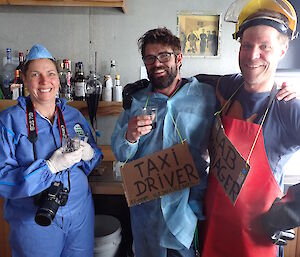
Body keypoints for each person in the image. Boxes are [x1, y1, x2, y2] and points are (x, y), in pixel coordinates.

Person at [196, 0, 300, 257]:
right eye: (246, 45)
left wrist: (292, 209)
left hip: (256, 243)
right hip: (213, 232)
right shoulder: (228, 88)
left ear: (283, 49)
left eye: (265, 47)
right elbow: (192, 82)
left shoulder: (288, 110)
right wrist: (147, 87)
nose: (253, 55)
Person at [111, 27, 216, 257]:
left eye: (164, 56)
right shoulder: (136, 101)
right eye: (150, 58)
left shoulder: (206, 97)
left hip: (187, 215)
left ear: (179, 58)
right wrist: (129, 136)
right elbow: (120, 153)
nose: (156, 63)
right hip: (147, 214)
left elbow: (239, 92)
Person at [0, 43, 102, 257]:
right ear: (25, 80)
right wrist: (49, 167)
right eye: (36, 74)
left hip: (80, 214)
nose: (45, 82)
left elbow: (93, 156)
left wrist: (89, 154)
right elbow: (2, 179)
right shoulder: (8, 121)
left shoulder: (74, 116)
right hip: (34, 220)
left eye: (51, 74)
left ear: (59, 79)